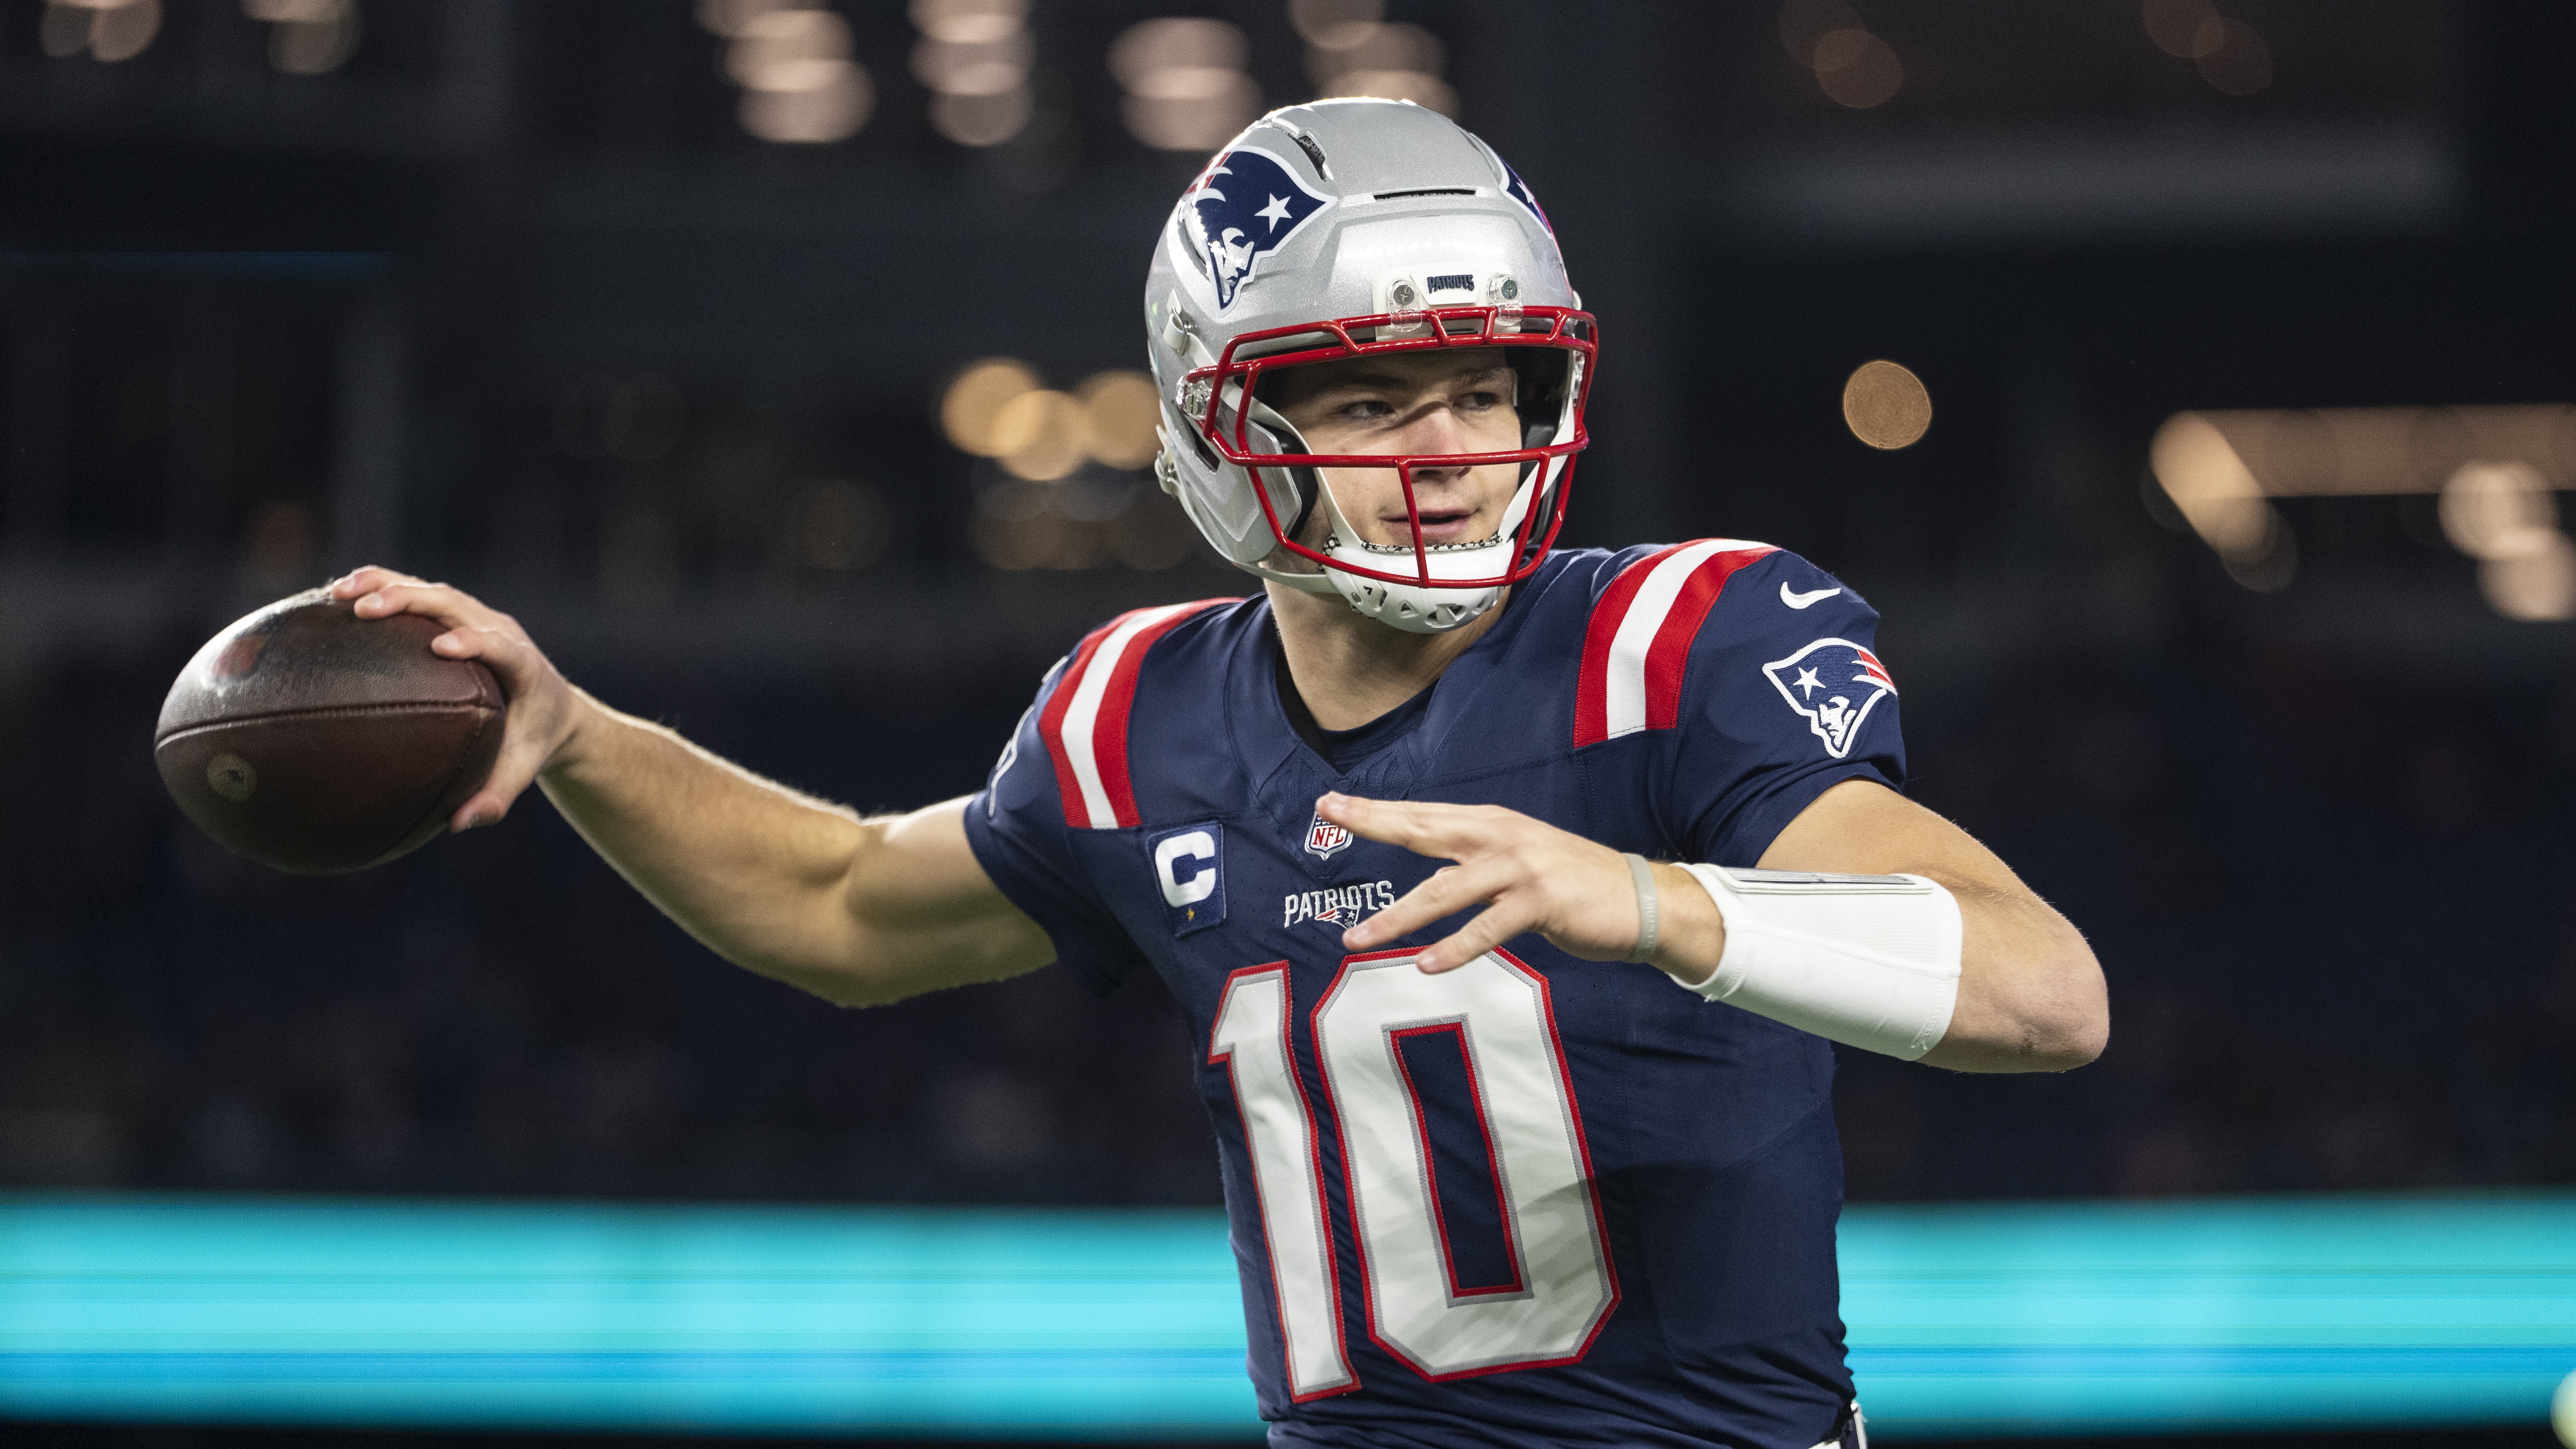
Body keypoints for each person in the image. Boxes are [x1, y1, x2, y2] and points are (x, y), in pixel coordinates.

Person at [336, 99, 2106, 1449]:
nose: (1455, 453)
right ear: (1218, 422)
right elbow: (837, 903)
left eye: (1486, 386)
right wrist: (578, 732)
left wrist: (1653, 903)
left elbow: (2045, 987)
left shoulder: (1676, 643)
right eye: (1373, 397)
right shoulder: (1137, 720)